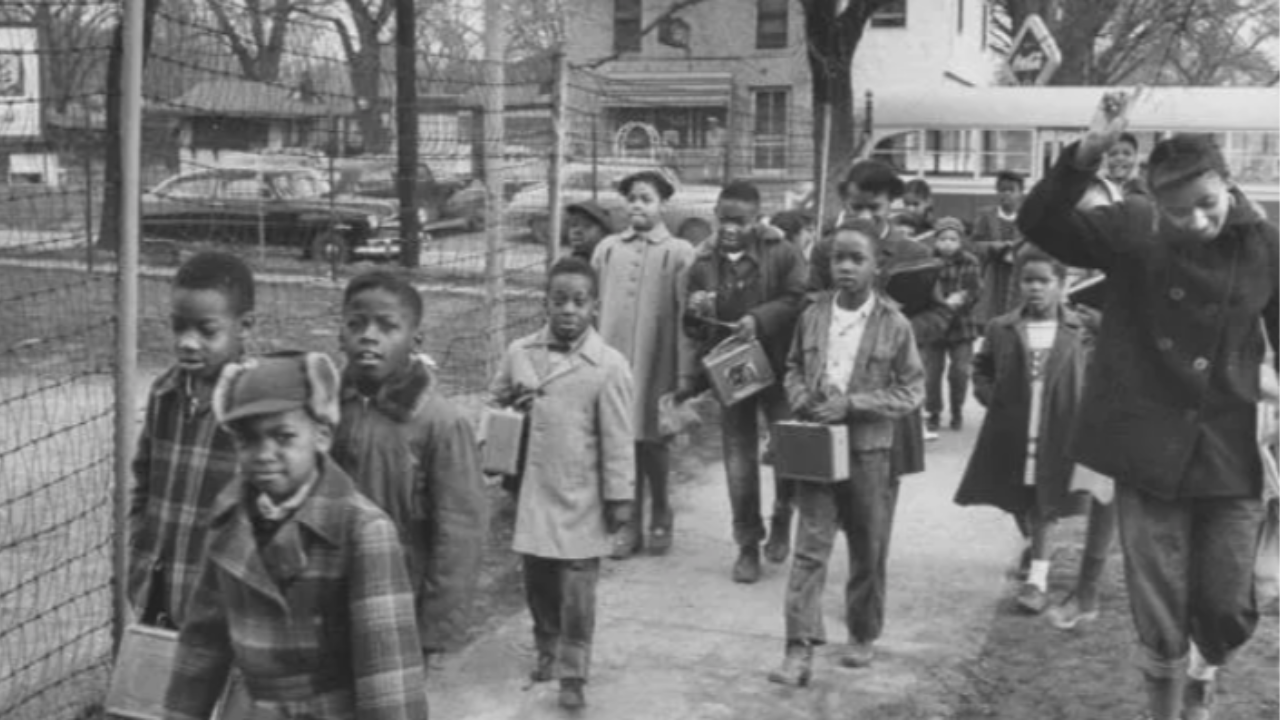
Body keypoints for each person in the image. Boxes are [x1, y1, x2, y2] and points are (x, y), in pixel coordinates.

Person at [1018, 89, 1280, 720]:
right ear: (1155, 204)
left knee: (1228, 606)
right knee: (1159, 600)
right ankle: (1167, 706)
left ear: (1230, 185)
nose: (1193, 222)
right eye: (1177, 211)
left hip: (1229, 443)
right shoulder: (1134, 228)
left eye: (1207, 205)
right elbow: (1041, 223)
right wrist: (1085, 154)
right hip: (1148, 440)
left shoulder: (1268, 245)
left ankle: (1205, 665)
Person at [164, 352, 428, 720]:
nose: (264, 454)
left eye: (283, 437)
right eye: (248, 441)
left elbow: (389, 681)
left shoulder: (362, 532)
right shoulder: (230, 518)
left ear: (321, 435)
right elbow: (202, 644)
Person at [768, 220, 925, 686]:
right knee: (809, 549)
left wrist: (854, 404)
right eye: (839, 258)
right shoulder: (814, 315)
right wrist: (799, 395)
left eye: (858, 259)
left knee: (867, 547)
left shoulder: (894, 324)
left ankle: (862, 633)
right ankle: (798, 650)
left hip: (870, 453)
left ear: (877, 267)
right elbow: (794, 366)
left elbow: (911, 390)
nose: (847, 267)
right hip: (816, 448)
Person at [489, 257, 636, 710]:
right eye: (559, 300)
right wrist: (510, 407)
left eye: (579, 301)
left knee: (577, 591)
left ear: (595, 306)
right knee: (537, 582)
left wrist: (620, 496)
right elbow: (494, 403)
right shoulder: (520, 352)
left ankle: (574, 671)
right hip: (533, 491)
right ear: (545, 303)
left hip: (582, 497)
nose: (568, 310)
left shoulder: (608, 366)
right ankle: (546, 645)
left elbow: (617, 439)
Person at [331, 270, 487, 661]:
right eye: (356, 324)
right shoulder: (322, 408)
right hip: (325, 598)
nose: (369, 335)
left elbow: (460, 534)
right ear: (340, 334)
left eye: (387, 326)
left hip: (399, 606)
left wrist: (435, 629)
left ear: (415, 341)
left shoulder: (440, 423)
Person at [954, 248, 1094, 615]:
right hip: (1014, 425)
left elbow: (1097, 372)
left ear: (1061, 285)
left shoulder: (1079, 329)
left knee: (1045, 501)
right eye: (1027, 281)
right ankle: (1036, 544)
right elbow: (981, 367)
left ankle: (1038, 581)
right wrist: (990, 396)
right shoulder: (1002, 327)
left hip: (1059, 426)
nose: (1035, 289)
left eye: (1043, 281)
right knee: (1018, 497)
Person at [684, 180, 808, 581]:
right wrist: (696, 312)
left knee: (788, 449)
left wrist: (759, 319)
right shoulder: (703, 263)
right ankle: (747, 543)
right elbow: (693, 329)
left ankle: (783, 512)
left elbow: (799, 299)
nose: (729, 228)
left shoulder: (783, 253)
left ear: (758, 220)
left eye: (739, 220)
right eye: (722, 219)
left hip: (779, 365)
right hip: (733, 372)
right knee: (739, 458)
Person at [129, 252, 256, 631]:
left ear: (244, 327)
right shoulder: (164, 393)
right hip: (161, 588)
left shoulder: (255, 404)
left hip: (226, 600)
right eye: (178, 327)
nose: (187, 342)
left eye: (206, 330)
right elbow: (144, 481)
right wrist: (139, 547)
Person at [592, 169, 698, 557]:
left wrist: (684, 371)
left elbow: (688, 316)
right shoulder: (607, 250)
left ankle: (662, 511)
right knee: (621, 441)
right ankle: (628, 522)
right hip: (614, 359)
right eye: (632, 198)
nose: (637, 205)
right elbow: (595, 306)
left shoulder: (679, 253)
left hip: (657, 360)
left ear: (663, 204)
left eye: (646, 199)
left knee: (653, 442)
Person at [810, 159, 936, 460]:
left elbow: (939, 313)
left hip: (888, 385)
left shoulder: (914, 253)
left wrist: (898, 335)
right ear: (845, 202)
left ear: (892, 204)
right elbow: (809, 300)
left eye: (875, 207)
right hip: (833, 381)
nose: (865, 216)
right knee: (826, 471)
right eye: (856, 207)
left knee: (880, 486)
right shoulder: (826, 250)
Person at [921, 216, 983, 432]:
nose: (948, 243)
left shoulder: (970, 261)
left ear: (961, 241)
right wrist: (940, 304)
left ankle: (957, 409)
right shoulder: (926, 261)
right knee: (932, 373)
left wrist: (958, 301)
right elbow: (921, 290)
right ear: (935, 240)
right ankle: (934, 411)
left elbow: (973, 291)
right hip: (933, 325)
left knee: (959, 371)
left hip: (961, 324)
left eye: (953, 239)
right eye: (943, 238)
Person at [972, 170, 1027, 325]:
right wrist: (994, 247)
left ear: (1020, 193)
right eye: (1002, 190)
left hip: (1018, 273)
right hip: (994, 274)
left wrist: (1017, 251)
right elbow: (974, 245)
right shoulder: (986, 215)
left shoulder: (1027, 216)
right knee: (993, 316)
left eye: (1011, 190)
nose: (1006, 194)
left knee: (1017, 317)